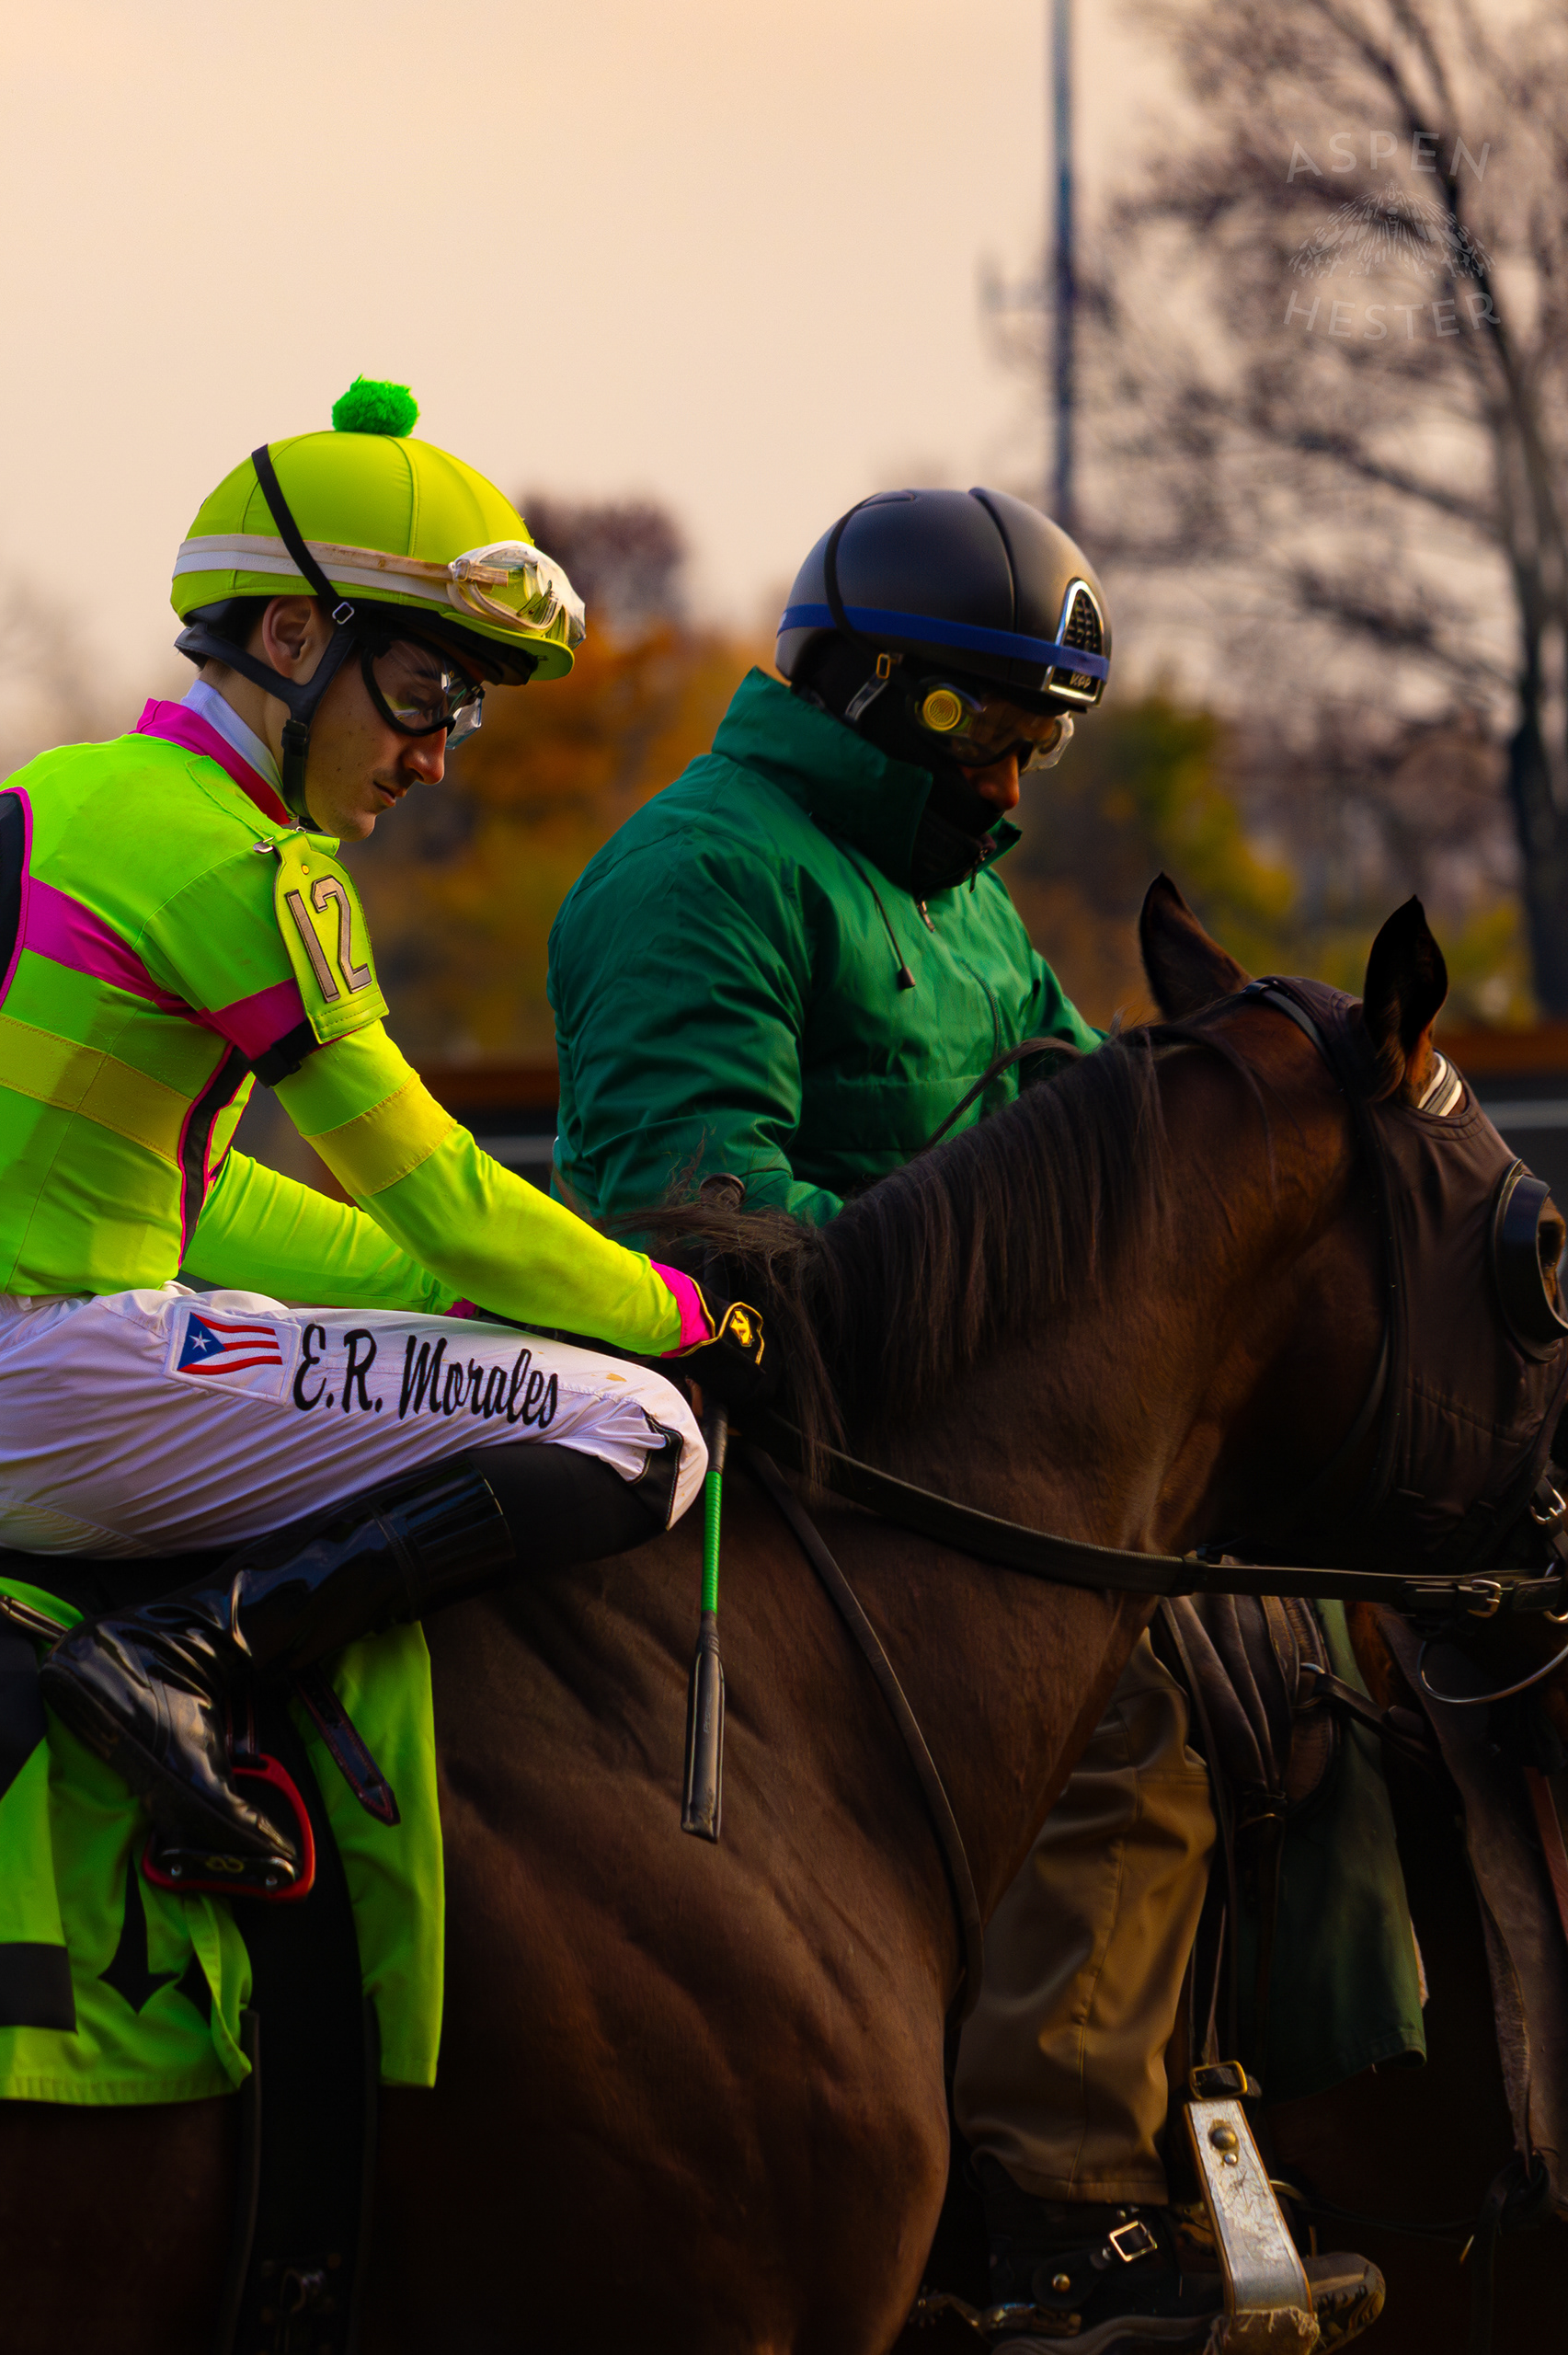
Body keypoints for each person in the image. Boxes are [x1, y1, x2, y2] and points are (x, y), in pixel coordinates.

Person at [548, 487, 1379, 2349]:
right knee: (1127, 1694)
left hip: (947, 1456)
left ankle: (1236, 2114)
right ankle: (1055, 2194)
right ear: (864, 693)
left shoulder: (969, 906)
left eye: (1043, 743)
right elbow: (693, 1219)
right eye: (989, 736)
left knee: (1267, 1640)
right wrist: (1020, 1327)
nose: (1014, 788)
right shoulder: (703, 872)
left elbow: (1106, 1163)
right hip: (759, 1440)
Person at [0, 377, 736, 1903]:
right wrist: (688, 1312)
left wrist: (439, 1300)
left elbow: (204, 1197)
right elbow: (440, 1189)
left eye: (466, 714)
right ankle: (182, 1653)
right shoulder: (250, 864)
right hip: (56, 1377)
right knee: (638, 1426)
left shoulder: (73, 791)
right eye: (427, 693)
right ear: (298, 641)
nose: (437, 755)